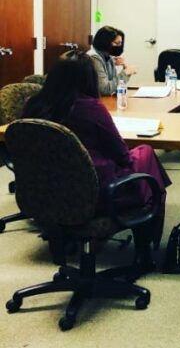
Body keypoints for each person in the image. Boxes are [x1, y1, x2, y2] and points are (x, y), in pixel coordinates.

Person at [22, 51, 170, 269]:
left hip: (45, 191)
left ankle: (64, 238)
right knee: (146, 157)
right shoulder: (90, 107)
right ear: (88, 79)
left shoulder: (33, 105)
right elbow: (121, 154)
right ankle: (144, 250)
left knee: (143, 167)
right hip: (95, 192)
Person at [88, 26, 136, 96]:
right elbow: (105, 89)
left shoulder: (108, 57)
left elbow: (114, 87)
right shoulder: (94, 58)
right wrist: (125, 73)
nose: (119, 46)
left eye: (120, 43)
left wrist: (125, 69)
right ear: (105, 43)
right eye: (117, 43)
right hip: (93, 100)